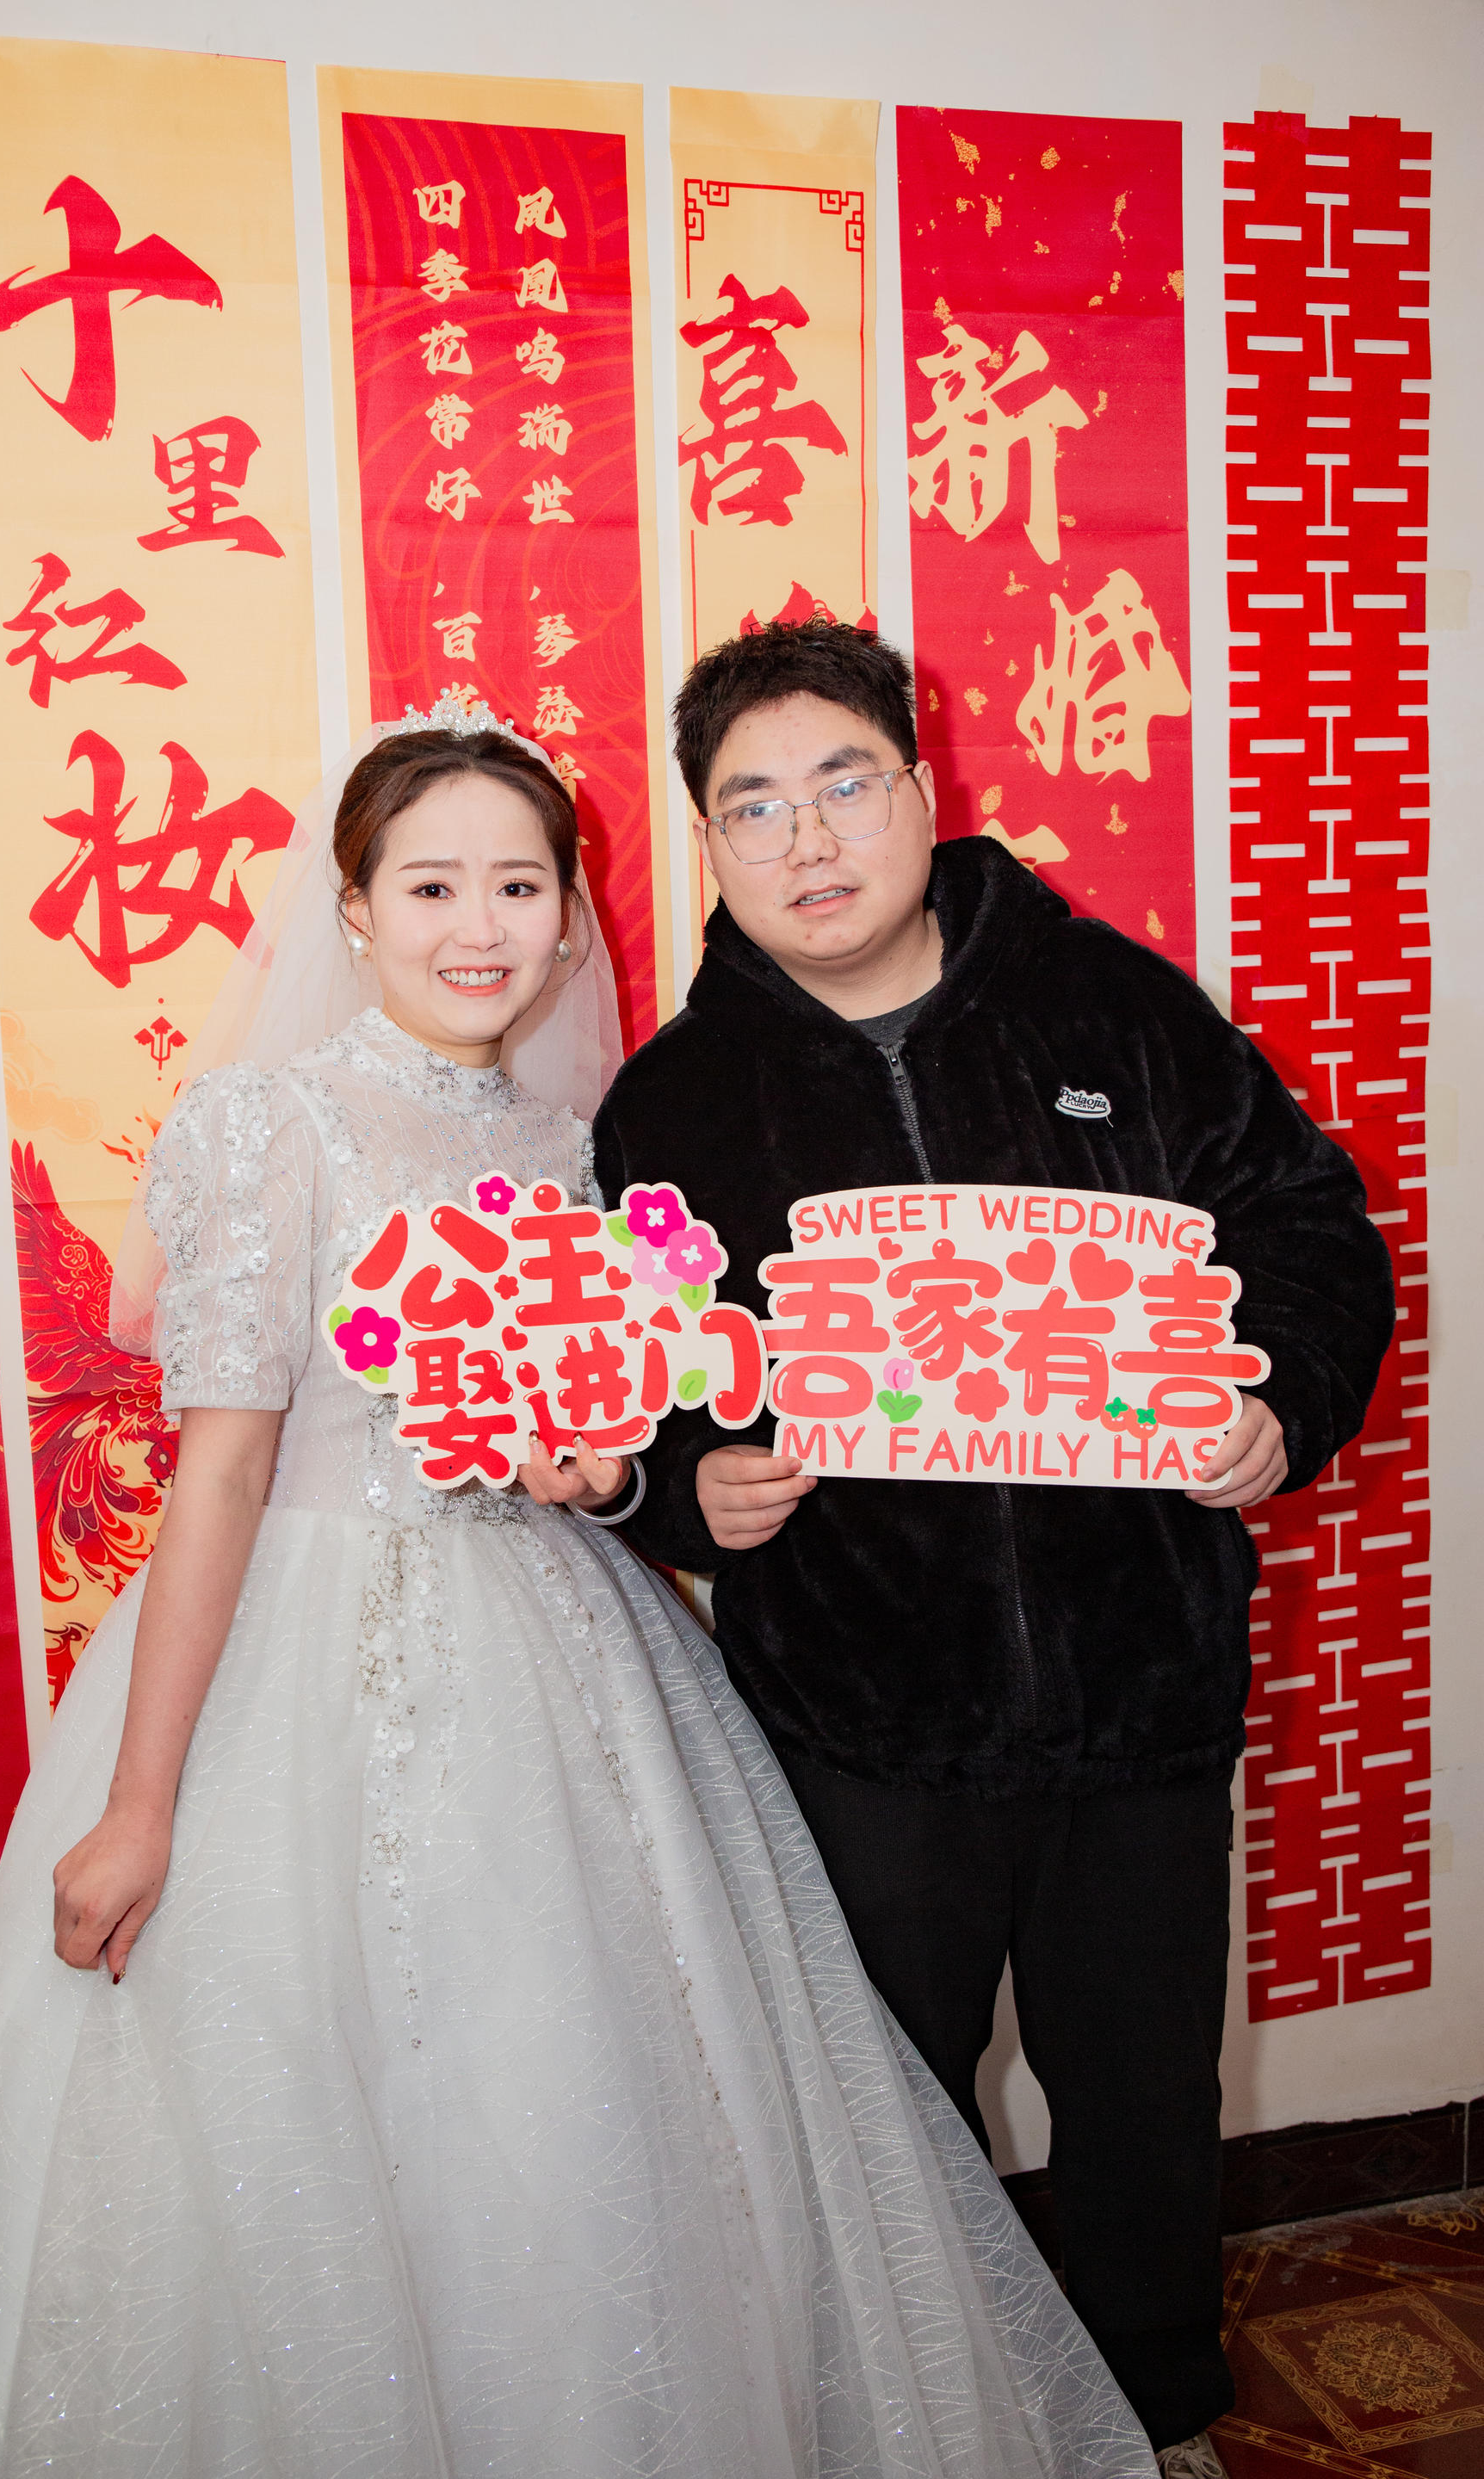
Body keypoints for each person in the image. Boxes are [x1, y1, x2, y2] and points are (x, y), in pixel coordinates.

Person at [0, 695, 1154, 2479]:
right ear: (356, 907)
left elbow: (607, 1446)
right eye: (432, 885)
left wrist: (605, 1473)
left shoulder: (575, 1148)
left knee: (579, 2113)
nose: (480, 928)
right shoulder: (268, 1124)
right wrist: (144, 1802)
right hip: (302, 1671)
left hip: (560, 1670)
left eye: (520, 886)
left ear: (568, 914)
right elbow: (221, 1470)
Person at [591, 623, 1395, 2479]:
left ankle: (1157, 2419)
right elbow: (630, 1388)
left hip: (1141, 1689)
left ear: (924, 787)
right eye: (753, 807)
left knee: (1144, 2098)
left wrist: (1279, 1405)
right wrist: (690, 1489)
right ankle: (930, 2432)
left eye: (843, 783)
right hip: (864, 1721)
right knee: (889, 2113)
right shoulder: (675, 1103)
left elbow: (1307, 1225)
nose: (808, 839)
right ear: (710, 844)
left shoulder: (1111, 1008)